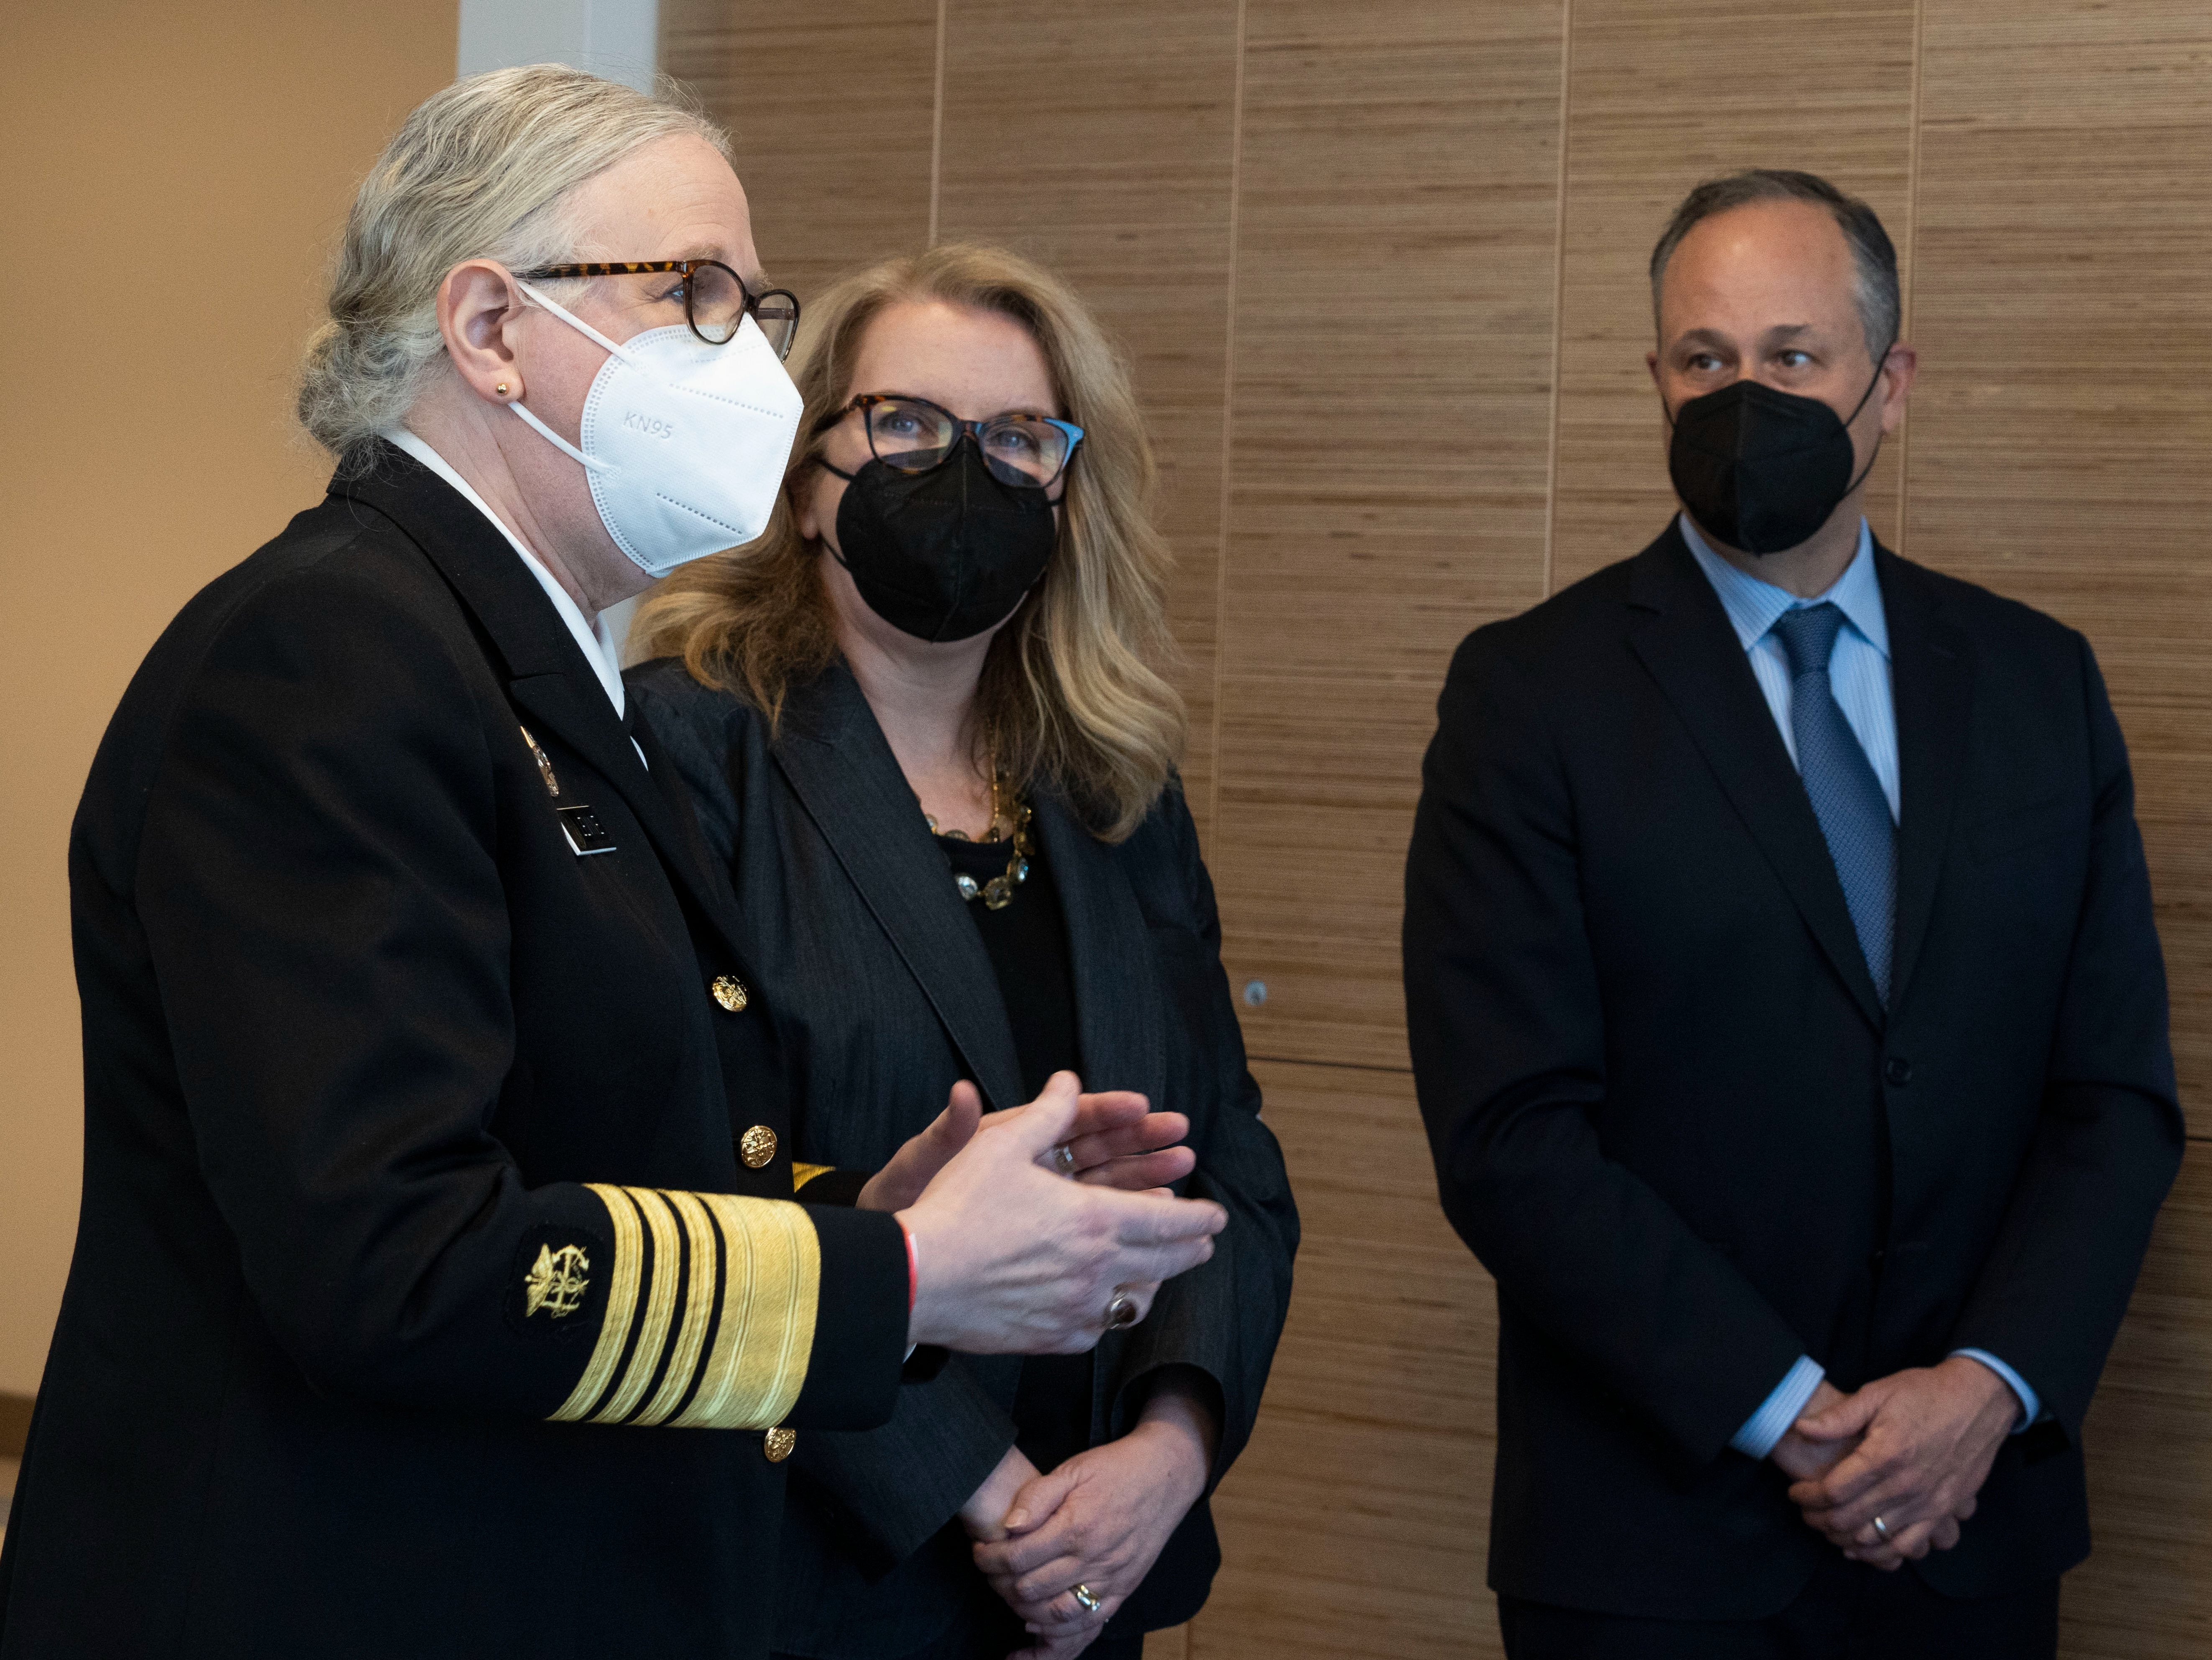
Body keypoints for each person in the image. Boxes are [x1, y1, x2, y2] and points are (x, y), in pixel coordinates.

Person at [0, 69, 1228, 1660]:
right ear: (490, 328)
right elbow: (396, 1259)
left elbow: (588, 1140)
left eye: (751, 304)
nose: (748, 359)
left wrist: (861, 1206)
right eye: (693, 293)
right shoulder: (329, 652)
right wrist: (901, 1270)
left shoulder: (520, 663)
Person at [1403, 168, 2181, 1657]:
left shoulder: (2037, 687)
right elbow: (1511, 1135)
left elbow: (2112, 1099)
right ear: (1652, 381)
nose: (1737, 396)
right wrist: (1792, 1415)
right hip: (1653, 1544)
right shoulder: (1529, 696)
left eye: (1790, 356)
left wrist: (1983, 1390)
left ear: (1889, 385)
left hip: (1975, 1536)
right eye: (1701, 361)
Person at [628, 241, 1297, 1660]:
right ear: (807, 479)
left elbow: (1224, 1149)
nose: (965, 474)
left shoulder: (1117, 788)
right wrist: (985, 1493)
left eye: (1014, 441)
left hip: (1096, 1563)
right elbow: (676, 1179)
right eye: (908, 424)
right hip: (810, 1571)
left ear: (1066, 491)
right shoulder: (684, 752)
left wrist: (1167, 1452)